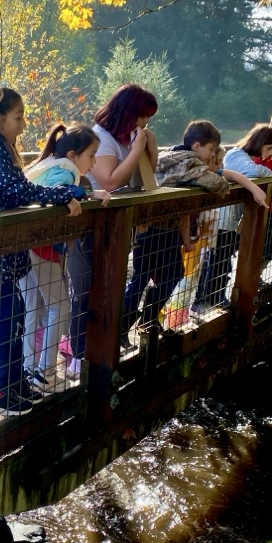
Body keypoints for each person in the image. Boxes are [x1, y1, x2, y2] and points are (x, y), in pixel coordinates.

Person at [0, 87, 84, 416]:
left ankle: (12, 382)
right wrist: (64, 192)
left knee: (13, 311)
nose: (22, 125)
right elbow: (17, 189)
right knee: (9, 313)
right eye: (18, 118)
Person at [129, 120, 269, 331]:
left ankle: (143, 322)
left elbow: (218, 175)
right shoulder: (191, 163)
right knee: (163, 276)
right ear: (197, 146)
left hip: (155, 228)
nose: (211, 157)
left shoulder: (172, 156)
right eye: (211, 150)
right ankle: (140, 321)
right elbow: (217, 183)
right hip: (162, 229)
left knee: (150, 277)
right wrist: (220, 178)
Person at [67, 84, 159, 377]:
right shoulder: (101, 139)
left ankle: (102, 350)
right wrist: (135, 149)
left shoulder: (128, 138)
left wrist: (148, 148)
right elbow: (107, 181)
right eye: (142, 117)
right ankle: (77, 355)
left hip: (116, 228)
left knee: (111, 289)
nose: (144, 124)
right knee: (84, 292)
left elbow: (145, 176)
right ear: (129, 113)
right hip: (89, 226)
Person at [21, 123, 110, 394]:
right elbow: (54, 190)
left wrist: (80, 192)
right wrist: (80, 192)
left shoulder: (50, 165)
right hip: (41, 249)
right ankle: (45, 374)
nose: (94, 162)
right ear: (73, 155)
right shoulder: (63, 172)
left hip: (27, 246)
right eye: (91, 155)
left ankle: (29, 368)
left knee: (34, 310)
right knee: (60, 306)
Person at [191, 123, 272, 315]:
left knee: (223, 259)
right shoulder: (236, 155)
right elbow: (251, 171)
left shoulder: (245, 157)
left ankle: (215, 298)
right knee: (218, 259)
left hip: (228, 220)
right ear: (259, 142)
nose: (269, 154)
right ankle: (206, 300)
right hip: (220, 218)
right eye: (268, 148)